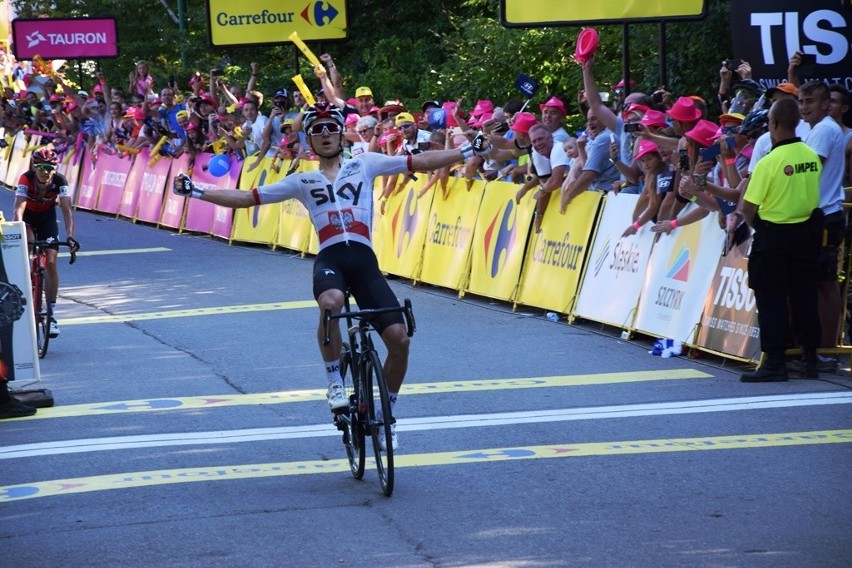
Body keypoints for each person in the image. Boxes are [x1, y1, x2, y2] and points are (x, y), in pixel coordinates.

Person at [172, 102, 491, 451]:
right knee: (331, 302)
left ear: (341, 133)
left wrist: (463, 151)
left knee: (400, 340)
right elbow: (247, 198)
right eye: (317, 130)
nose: (325, 134)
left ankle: (386, 414)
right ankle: (334, 380)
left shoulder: (365, 164)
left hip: (365, 262)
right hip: (331, 261)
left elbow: (420, 162)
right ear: (310, 139)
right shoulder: (302, 180)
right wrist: (197, 191)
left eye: (330, 128)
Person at [738, 98, 823, 382]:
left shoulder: (769, 162)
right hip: (807, 234)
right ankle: (809, 359)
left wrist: (759, 226)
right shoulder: (811, 156)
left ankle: (775, 363)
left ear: (773, 124)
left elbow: (747, 208)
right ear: (797, 122)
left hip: (774, 236)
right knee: (805, 297)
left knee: (771, 300)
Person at [799, 80, 846, 372]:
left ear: (826, 104)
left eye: (811, 101)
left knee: (825, 284)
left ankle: (827, 351)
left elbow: (807, 171)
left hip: (826, 215)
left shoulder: (826, 129)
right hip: (816, 215)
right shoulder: (814, 129)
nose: (805, 106)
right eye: (801, 101)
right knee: (815, 283)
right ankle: (815, 348)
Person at [13, 147, 79, 338]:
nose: (45, 172)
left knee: (50, 262)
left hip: (47, 219)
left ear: (55, 169)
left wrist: (70, 236)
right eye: (41, 167)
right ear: (34, 167)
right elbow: (19, 208)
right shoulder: (26, 179)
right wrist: (18, 228)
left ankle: (52, 315)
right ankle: (25, 289)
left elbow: (66, 209)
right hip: (28, 219)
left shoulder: (60, 181)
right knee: (30, 246)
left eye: (50, 168)